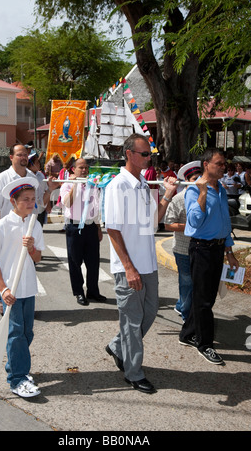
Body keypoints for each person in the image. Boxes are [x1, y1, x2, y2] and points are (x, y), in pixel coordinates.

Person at [104, 133, 177, 394]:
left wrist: (168, 195)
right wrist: (128, 267)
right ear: (129, 154)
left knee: (150, 312)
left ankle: (118, 346)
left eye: (150, 154)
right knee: (132, 322)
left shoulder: (144, 186)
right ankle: (133, 372)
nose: (149, 158)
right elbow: (112, 229)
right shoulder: (117, 186)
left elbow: (152, 224)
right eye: (145, 154)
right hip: (130, 268)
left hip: (148, 265)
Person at [0, 177, 44, 398]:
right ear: (13, 201)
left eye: (32, 199)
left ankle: (15, 366)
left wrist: (31, 248)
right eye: (25, 199)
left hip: (28, 287)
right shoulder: (2, 226)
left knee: (26, 332)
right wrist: (3, 289)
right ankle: (17, 379)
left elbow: (38, 258)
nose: (30, 203)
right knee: (16, 333)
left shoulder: (34, 224)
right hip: (10, 290)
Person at [179, 148, 239, 365]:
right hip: (201, 249)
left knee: (206, 296)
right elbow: (194, 221)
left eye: (224, 164)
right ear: (206, 164)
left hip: (217, 248)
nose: (224, 167)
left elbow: (225, 223)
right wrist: (202, 193)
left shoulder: (221, 189)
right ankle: (205, 344)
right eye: (219, 163)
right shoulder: (193, 190)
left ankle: (187, 334)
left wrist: (229, 252)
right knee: (204, 300)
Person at [0, 143, 58, 314]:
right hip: (8, 231)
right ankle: (3, 298)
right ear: (11, 157)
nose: (23, 157)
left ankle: (25, 302)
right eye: (19, 154)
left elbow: (40, 202)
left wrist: (49, 190)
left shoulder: (35, 177)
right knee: (5, 267)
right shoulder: (2, 178)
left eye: (26, 154)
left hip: (28, 228)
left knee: (25, 266)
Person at [60, 158, 105, 306]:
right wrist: (75, 185)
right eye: (81, 168)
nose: (84, 171)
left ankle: (93, 291)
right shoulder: (67, 184)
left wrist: (98, 228)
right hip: (74, 227)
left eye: (86, 168)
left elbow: (96, 208)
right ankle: (78, 292)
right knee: (75, 262)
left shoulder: (92, 185)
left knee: (93, 262)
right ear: (74, 169)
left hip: (91, 226)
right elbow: (67, 203)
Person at [164, 161, 202, 321]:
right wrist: (191, 227)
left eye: (201, 177)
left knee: (196, 284)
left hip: (201, 249)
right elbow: (168, 224)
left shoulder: (206, 195)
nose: (199, 181)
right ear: (186, 181)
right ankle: (187, 318)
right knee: (187, 283)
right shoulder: (179, 199)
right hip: (183, 249)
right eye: (194, 178)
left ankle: (181, 306)